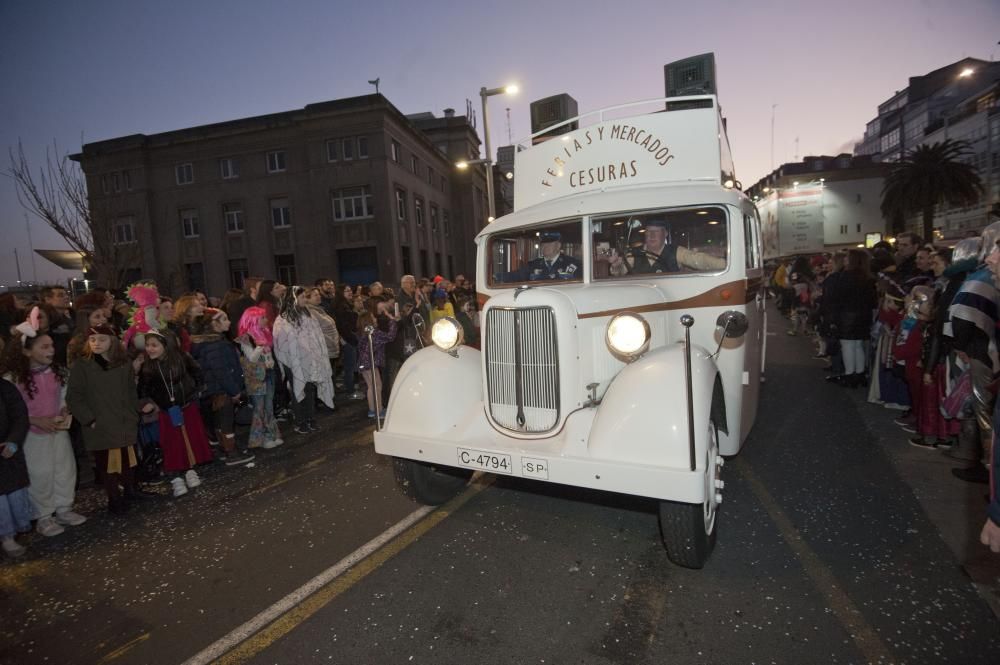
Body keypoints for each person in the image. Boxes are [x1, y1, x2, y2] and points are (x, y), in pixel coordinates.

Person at [0, 314, 86, 536]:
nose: (51, 350)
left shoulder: (57, 373)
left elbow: (65, 395)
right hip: (32, 435)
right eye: (44, 346)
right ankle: (44, 515)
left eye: (51, 346)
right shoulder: (13, 379)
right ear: (27, 351)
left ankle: (64, 507)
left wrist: (65, 409)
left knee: (64, 469)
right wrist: (34, 420)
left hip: (57, 430)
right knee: (40, 473)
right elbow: (13, 412)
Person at [66, 325, 143, 514]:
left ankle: (130, 491)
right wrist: (89, 419)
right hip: (100, 423)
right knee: (106, 463)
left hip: (123, 420)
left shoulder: (123, 364)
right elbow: (74, 397)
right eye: (92, 340)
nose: (96, 343)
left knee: (127, 458)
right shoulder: (82, 366)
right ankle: (114, 498)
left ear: (112, 342)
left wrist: (134, 413)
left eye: (102, 339)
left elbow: (130, 391)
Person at [946, 222, 1000, 484]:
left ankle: (988, 469)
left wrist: (961, 345)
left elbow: (963, 318)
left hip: (982, 353)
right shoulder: (985, 276)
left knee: (983, 410)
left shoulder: (980, 279)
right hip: (986, 351)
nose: (990, 257)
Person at [136, 330, 213, 498]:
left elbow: (197, 372)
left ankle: (190, 470)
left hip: (186, 406)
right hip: (166, 410)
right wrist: (147, 403)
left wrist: (197, 390)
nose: (150, 349)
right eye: (148, 345)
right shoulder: (148, 367)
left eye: (154, 345)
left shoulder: (181, 358)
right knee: (172, 443)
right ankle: (176, 477)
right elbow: (143, 389)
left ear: (165, 345)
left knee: (190, 439)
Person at [189, 309, 254, 466]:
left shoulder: (208, 344)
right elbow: (221, 372)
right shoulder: (216, 346)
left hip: (215, 390)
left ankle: (226, 450)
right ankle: (231, 453)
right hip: (221, 390)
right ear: (214, 324)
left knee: (219, 423)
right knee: (226, 423)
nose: (229, 322)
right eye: (224, 319)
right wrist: (235, 390)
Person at [272, 287, 334, 435]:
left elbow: (316, 336)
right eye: (301, 298)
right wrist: (293, 357)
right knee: (298, 390)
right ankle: (300, 421)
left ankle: (311, 418)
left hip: (309, 360)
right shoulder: (283, 319)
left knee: (310, 389)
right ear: (292, 299)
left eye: (305, 298)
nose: (304, 300)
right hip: (293, 362)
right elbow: (281, 343)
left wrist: (316, 354)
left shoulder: (308, 315)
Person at [237, 306, 282, 450]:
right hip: (256, 378)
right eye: (262, 317)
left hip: (268, 374)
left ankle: (271, 435)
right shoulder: (246, 338)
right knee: (259, 408)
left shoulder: (266, 333)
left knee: (269, 407)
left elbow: (270, 357)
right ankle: (261, 438)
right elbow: (252, 358)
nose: (265, 320)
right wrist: (259, 347)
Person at [609, 219, 725, 275]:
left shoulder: (676, 252)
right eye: (649, 232)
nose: (652, 235)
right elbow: (619, 272)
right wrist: (616, 266)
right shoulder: (633, 254)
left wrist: (727, 265)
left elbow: (700, 260)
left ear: (665, 234)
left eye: (657, 232)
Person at [0, 377, 32, 557]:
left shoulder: (5, 387)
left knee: (15, 495)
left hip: (8, 452)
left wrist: (13, 441)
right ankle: (7, 537)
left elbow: (19, 415)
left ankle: (22, 527)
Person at [356, 310, 398, 419]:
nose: (375, 319)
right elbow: (390, 337)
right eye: (373, 317)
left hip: (364, 362)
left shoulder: (365, 332)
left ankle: (374, 409)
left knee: (372, 386)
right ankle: (377, 411)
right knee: (376, 386)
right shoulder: (373, 333)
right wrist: (393, 321)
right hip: (369, 363)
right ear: (368, 321)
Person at [305, 287, 341, 384]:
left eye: (319, 294)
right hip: (323, 349)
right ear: (307, 298)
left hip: (330, 347)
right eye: (315, 295)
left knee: (330, 375)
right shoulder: (310, 311)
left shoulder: (319, 309)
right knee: (326, 378)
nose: (319, 297)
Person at [513, 231, 581, 281]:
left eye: (549, 244)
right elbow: (516, 276)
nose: (545, 247)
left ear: (558, 246)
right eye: (543, 244)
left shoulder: (572, 264)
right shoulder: (533, 265)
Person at [334, 285, 363, 400]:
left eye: (350, 289)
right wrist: (348, 339)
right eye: (346, 290)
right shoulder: (342, 307)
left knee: (351, 366)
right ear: (341, 293)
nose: (350, 292)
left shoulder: (347, 305)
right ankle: (350, 392)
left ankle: (352, 389)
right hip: (348, 339)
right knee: (349, 367)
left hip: (351, 338)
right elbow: (344, 325)